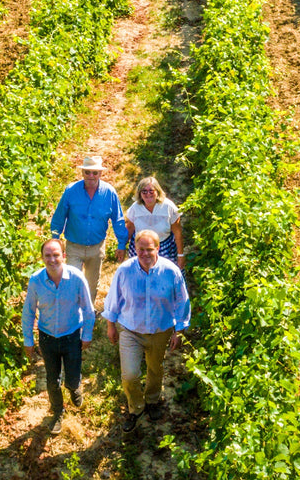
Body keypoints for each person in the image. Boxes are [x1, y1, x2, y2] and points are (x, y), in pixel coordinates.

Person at [102, 229, 190, 434]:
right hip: (131, 330)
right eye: (140, 249)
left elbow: (181, 301)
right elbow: (114, 300)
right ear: (136, 249)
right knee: (130, 375)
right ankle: (136, 408)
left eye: (149, 249)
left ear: (158, 248)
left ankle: (152, 401)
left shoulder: (171, 271)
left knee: (155, 368)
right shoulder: (125, 271)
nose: (144, 253)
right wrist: (110, 326)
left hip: (160, 330)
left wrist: (179, 330)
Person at [22, 239, 95, 435]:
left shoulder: (77, 278)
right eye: (48, 255)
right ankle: (57, 412)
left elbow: (88, 310)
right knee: (52, 380)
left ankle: (74, 386)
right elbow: (28, 311)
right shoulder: (36, 281)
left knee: (71, 378)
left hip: (72, 336)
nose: (52, 259)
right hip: (48, 338)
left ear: (64, 256)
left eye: (56, 255)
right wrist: (28, 339)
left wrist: (86, 335)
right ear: (42, 258)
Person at [50, 155, 127, 303]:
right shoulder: (71, 191)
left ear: (101, 173)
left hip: (96, 247)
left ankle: (88, 312)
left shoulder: (109, 193)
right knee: (72, 282)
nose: (91, 176)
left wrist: (121, 244)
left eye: (95, 172)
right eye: (87, 172)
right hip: (74, 246)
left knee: (92, 284)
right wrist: (55, 239)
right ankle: (73, 314)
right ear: (82, 172)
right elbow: (59, 216)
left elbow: (118, 219)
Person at [125, 176, 185, 270]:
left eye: (151, 191)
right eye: (144, 191)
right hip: (141, 248)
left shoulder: (168, 207)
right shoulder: (135, 208)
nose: (148, 194)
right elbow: (129, 229)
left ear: (157, 192)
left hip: (165, 247)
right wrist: (121, 247)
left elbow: (178, 234)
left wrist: (180, 255)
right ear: (140, 194)